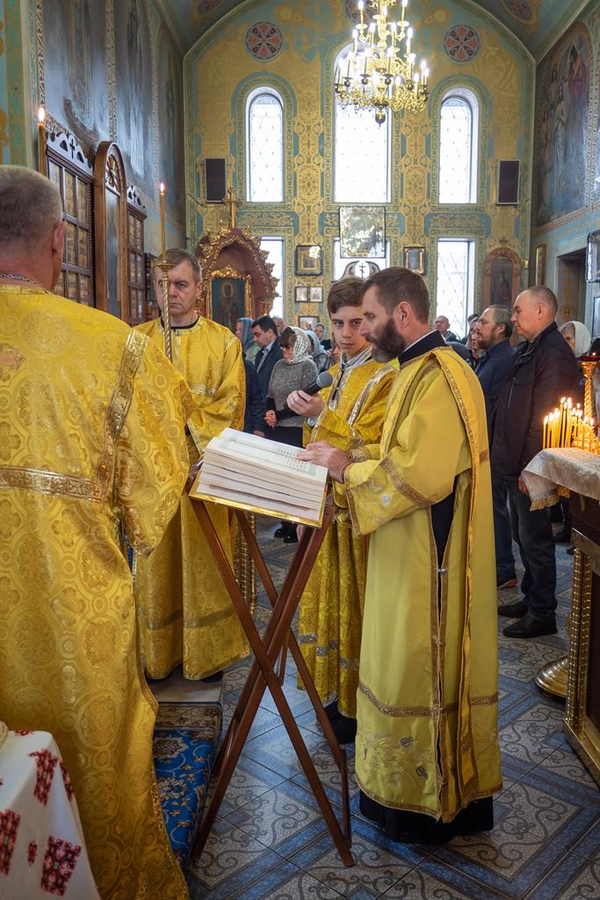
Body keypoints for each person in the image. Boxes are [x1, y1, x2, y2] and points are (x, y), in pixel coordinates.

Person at [0, 166, 191, 898]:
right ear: (57, 241)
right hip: (69, 624)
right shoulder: (113, 347)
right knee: (93, 771)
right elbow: (156, 495)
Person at [302, 267, 501, 843]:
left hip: (428, 564)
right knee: (392, 665)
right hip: (400, 549)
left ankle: (423, 802)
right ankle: (394, 792)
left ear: (403, 315)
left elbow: (421, 473)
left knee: (417, 668)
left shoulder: (440, 374)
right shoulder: (412, 368)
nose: (361, 328)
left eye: (369, 318)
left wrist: (346, 468)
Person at [287, 277, 396, 743]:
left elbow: (375, 448)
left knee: (354, 608)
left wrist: (319, 416)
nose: (348, 333)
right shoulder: (341, 370)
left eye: (358, 322)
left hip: (360, 519)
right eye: (338, 323)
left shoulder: (387, 375)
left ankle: (354, 707)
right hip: (326, 511)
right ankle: (332, 695)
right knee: (328, 603)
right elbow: (319, 444)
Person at [135, 248, 248, 680]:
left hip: (204, 473)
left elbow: (231, 406)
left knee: (205, 562)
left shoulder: (223, 343)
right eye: (163, 285)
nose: (172, 293)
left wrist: (184, 422)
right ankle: (159, 652)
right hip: (153, 477)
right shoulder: (139, 341)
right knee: (157, 563)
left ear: (199, 288)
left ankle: (206, 654)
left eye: (181, 284)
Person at [491, 287, 581, 637]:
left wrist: (532, 470)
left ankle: (543, 611)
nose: (512, 317)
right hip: (518, 463)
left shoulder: (554, 353)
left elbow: (544, 420)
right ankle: (530, 598)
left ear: (541, 311)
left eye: (517, 310)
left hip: (533, 465)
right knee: (521, 535)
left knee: (535, 538)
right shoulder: (532, 348)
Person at [473, 306, 517, 588]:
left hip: (491, 446)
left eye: (484, 322)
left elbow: (499, 411)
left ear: (500, 328)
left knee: (496, 507)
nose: (478, 325)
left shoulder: (506, 361)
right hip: (481, 443)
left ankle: (504, 568)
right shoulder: (489, 357)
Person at [265, 327, 317, 542]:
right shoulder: (278, 364)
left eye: (289, 346)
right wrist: (270, 413)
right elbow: (270, 393)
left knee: (296, 479)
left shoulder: (308, 366)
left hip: (297, 428)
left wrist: (278, 415)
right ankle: (284, 521)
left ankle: (297, 524)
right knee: (281, 479)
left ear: (300, 346)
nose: (284, 350)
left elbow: (306, 400)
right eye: (282, 346)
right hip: (278, 428)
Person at [252, 313, 283, 397]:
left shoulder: (282, 352)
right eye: (253, 335)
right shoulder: (260, 353)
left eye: (257, 335)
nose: (254, 339)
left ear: (269, 332)